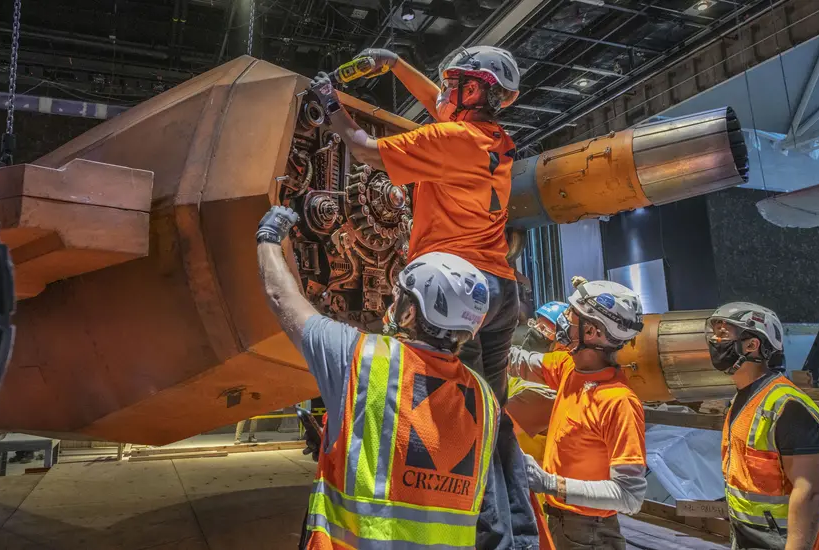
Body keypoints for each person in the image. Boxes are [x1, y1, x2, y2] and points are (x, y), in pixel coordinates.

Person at [308, 46, 539, 549]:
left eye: (456, 84)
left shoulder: (450, 138)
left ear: (475, 91)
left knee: (464, 421)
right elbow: (436, 102)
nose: (447, 92)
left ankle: (492, 539)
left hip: (459, 291)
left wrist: (328, 103)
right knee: (494, 416)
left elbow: (363, 148)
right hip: (500, 288)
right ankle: (522, 537)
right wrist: (393, 64)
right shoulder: (495, 140)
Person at [256, 205, 500, 549]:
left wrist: (268, 237)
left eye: (400, 293)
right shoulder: (486, 401)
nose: (393, 296)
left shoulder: (361, 357)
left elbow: (282, 297)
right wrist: (338, 440)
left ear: (410, 313)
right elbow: (424, 465)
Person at [510, 280, 648, 550]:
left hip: (590, 534)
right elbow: (519, 361)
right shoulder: (568, 369)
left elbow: (629, 496)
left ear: (592, 331)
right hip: (559, 520)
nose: (564, 319)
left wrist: (551, 484)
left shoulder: (618, 402)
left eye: (572, 315)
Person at [706, 302, 819, 550]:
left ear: (752, 345)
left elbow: (809, 492)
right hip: (756, 538)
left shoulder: (788, 406)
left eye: (723, 334)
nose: (714, 341)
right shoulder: (742, 399)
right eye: (714, 334)